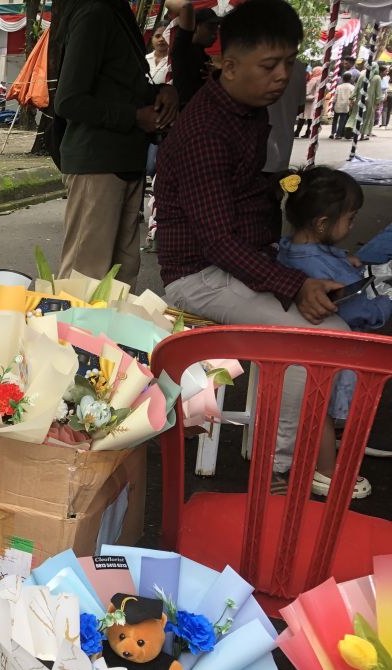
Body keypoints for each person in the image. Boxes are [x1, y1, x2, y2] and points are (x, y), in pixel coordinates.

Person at [155, 0, 366, 497]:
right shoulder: (206, 131)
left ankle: (294, 456)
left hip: (243, 263)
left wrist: (284, 189)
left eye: (289, 63)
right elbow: (218, 242)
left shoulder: (247, 113)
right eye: (269, 66)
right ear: (229, 66)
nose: (282, 77)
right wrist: (295, 282)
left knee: (334, 331)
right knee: (309, 343)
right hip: (198, 276)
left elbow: (242, 194)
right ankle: (275, 468)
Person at [276, 167, 389, 495]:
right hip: (324, 353)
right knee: (319, 407)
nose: (352, 225)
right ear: (323, 223)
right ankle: (325, 472)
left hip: (293, 345)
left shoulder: (291, 248)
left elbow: (317, 255)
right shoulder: (324, 271)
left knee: (315, 404)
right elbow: (359, 311)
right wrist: (386, 304)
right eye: (350, 219)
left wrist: (344, 257)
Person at [52, 0, 179, 285]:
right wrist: (134, 116)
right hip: (98, 164)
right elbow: (69, 101)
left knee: (121, 279)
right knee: (84, 281)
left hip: (125, 160)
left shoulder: (116, 13)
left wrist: (161, 92)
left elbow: (120, 86)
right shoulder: (94, 13)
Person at [167, 1, 221, 108]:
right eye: (210, 28)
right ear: (195, 27)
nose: (215, 34)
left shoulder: (205, 56)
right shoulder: (183, 48)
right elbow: (185, 6)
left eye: (216, 29)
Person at [294, 64, 321, 137]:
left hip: (308, 100)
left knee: (302, 116)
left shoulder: (314, 79)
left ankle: (297, 132)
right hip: (315, 99)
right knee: (310, 117)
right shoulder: (321, 79)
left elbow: (307, 90)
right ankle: (308, 132)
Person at [330, 72, 355, 139]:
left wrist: (333, 104)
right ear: (350, 79)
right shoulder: (352, 87)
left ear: (342, 79)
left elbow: (335, 96)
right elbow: (353, 97)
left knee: (335, 120)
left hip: (338, 105)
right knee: (342, 121)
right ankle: (338, 134)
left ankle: (332, 133)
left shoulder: (339, 87)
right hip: (346, 106)